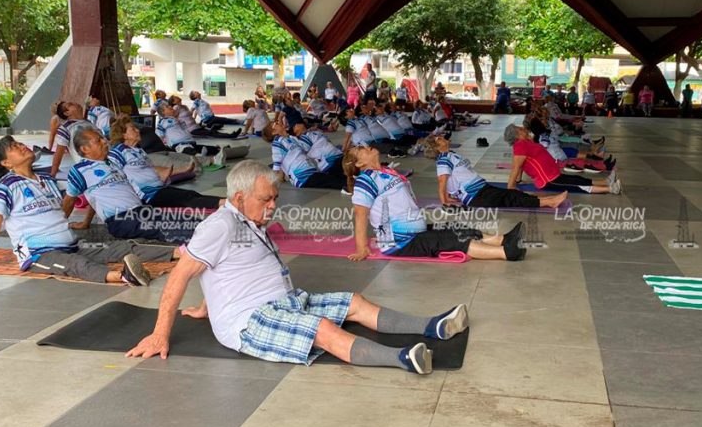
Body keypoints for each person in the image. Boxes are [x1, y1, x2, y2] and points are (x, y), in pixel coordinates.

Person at [125, 160, 468, 374]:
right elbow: (182, 274)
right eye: (266, 199)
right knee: (321, 328)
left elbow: (219, 270)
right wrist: (159, 335)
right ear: (240, 197)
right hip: (251, 320)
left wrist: (206, 305)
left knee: (355, 301)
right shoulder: (220, 225)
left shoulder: (248, 217)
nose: (273, 205)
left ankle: (433, 326)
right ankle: (404, 358)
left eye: (275, 198)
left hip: (285, 301)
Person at [0, 135, 176, 286]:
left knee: (122, 248)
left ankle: (182, 253)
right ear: (6, 163)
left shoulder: (46, 180)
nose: (22, 146)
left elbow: (75, 203)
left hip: (73, 245)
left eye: (19, 143)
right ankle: (124, 277)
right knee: (77, 266)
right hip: (39, 254)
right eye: (15, 148)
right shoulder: (4, 187)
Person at [344, 145, 526, 261]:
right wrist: (362, 248)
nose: (366, 146)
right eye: (361, 149)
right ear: (359, 163)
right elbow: (361, 214)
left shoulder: (386, 171)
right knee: (450, 239)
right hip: (401, 241)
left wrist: (381, 231)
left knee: (457, 228)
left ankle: (503, 240)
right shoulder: (365, 181)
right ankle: (506, 253)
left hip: (411, 231)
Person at [65, 128, 198, 243]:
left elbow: (95, 197)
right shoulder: (79, 170)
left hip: (142, 211)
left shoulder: (112, 162)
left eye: (103, 138)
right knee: (175, 230)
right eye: (98, 140)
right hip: (121, 219)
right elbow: (69, 201)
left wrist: (86, 222)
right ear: (84, 149)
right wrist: (59, 229)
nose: (105, 141)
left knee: (192, 222)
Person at [424, 134, 568, 210]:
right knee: (512, 198)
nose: (443, 138)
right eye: (439, 139)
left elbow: (453, 179)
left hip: (481, 189)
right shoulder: (443, 160)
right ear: (437, 147)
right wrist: (445, 201)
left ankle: (549, 200)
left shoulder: (451, 155)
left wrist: (450, 194)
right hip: (476, 196)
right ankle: (550, 202)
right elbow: (442, 181)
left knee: (513, 194)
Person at [109, 122, 224, 209]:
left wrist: (182, 170)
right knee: (186, 198)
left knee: (191, 193)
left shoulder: (138, 150)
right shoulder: (118, 152)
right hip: (147, 196)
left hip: (158, 188)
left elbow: (151, 169)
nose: (138, 130)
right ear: (124, 135)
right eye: (133, 129)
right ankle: (223, 203)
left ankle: (225, 202)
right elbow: (114, 174)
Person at [504, 124, 620, 195]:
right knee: (577, 185)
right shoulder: (519, 145)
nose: (523, 129)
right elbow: (516, 167)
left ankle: (605, 182)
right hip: (548, 180)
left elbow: (521, 165)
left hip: (554, 174)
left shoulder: (525, 143)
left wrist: (519, 180)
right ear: (516, 135)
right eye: (520, 129)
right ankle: (610, 189)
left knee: (578, 179)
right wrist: (511, 187)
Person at [270, 121, 345, 190]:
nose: (279, 122)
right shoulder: (278, 143)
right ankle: (350, 187)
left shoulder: (293, 138)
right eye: (276, 124)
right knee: (333, 180)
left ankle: (350, 183)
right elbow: (278, 162)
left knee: (338, 176)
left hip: (312, 171)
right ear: (274, 132)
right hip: (304, 176)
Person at [156, 105, 229, 165]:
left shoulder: (178, 119)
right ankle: (209, 160)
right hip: (179, 145)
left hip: (191, 142)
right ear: (163, 112)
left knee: (208, 148)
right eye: (167, 107)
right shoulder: (162, 122)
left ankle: (219, 151)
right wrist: (164, 146)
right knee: (189, 151)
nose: (170, 107)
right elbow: (159, 134)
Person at [48, 101, 97, 178]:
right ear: (67, 113)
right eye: (70, 105)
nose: (75, 103)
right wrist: (53, 174)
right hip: (90, 167)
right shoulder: (66, 128)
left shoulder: (89, 123)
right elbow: (59, 153)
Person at [172, 96, 240, 139]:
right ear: (173, 102)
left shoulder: (184, 106)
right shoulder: (176, 107)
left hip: (196, 126)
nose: (177, 97)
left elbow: (191, 114)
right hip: (191, 129)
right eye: (175, 98)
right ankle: (231, 135)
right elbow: (174, 118)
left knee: (212, 131)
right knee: (211, 133)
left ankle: (229, 134)